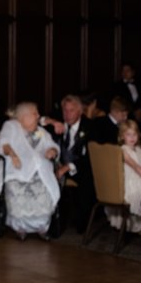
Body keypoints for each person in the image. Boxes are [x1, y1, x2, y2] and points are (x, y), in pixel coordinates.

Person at [0, 102, 59, 240]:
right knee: (16, 187)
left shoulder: (40, 131)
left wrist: (52, 150)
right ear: (23, 116)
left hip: (39, 172)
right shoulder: (11, 126)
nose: (38, 116)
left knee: (44, 188)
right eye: (34, 113)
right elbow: (2, 142)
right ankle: (21, 227)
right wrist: (13, 155)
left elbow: (51, 144)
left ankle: (42, 227)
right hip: (16, 171)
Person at [43, 94, 97, 233]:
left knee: (86, 178)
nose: (67, 114)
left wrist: (67, 167)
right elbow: (39, 120)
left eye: (71, 110)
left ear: (80, 111)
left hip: (81, 167)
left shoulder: (91, 127)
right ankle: (49, 223)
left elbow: (90, 157)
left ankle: (82, 224)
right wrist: (53, 122)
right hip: (60, 166)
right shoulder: (60, 123)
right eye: (65, 110)